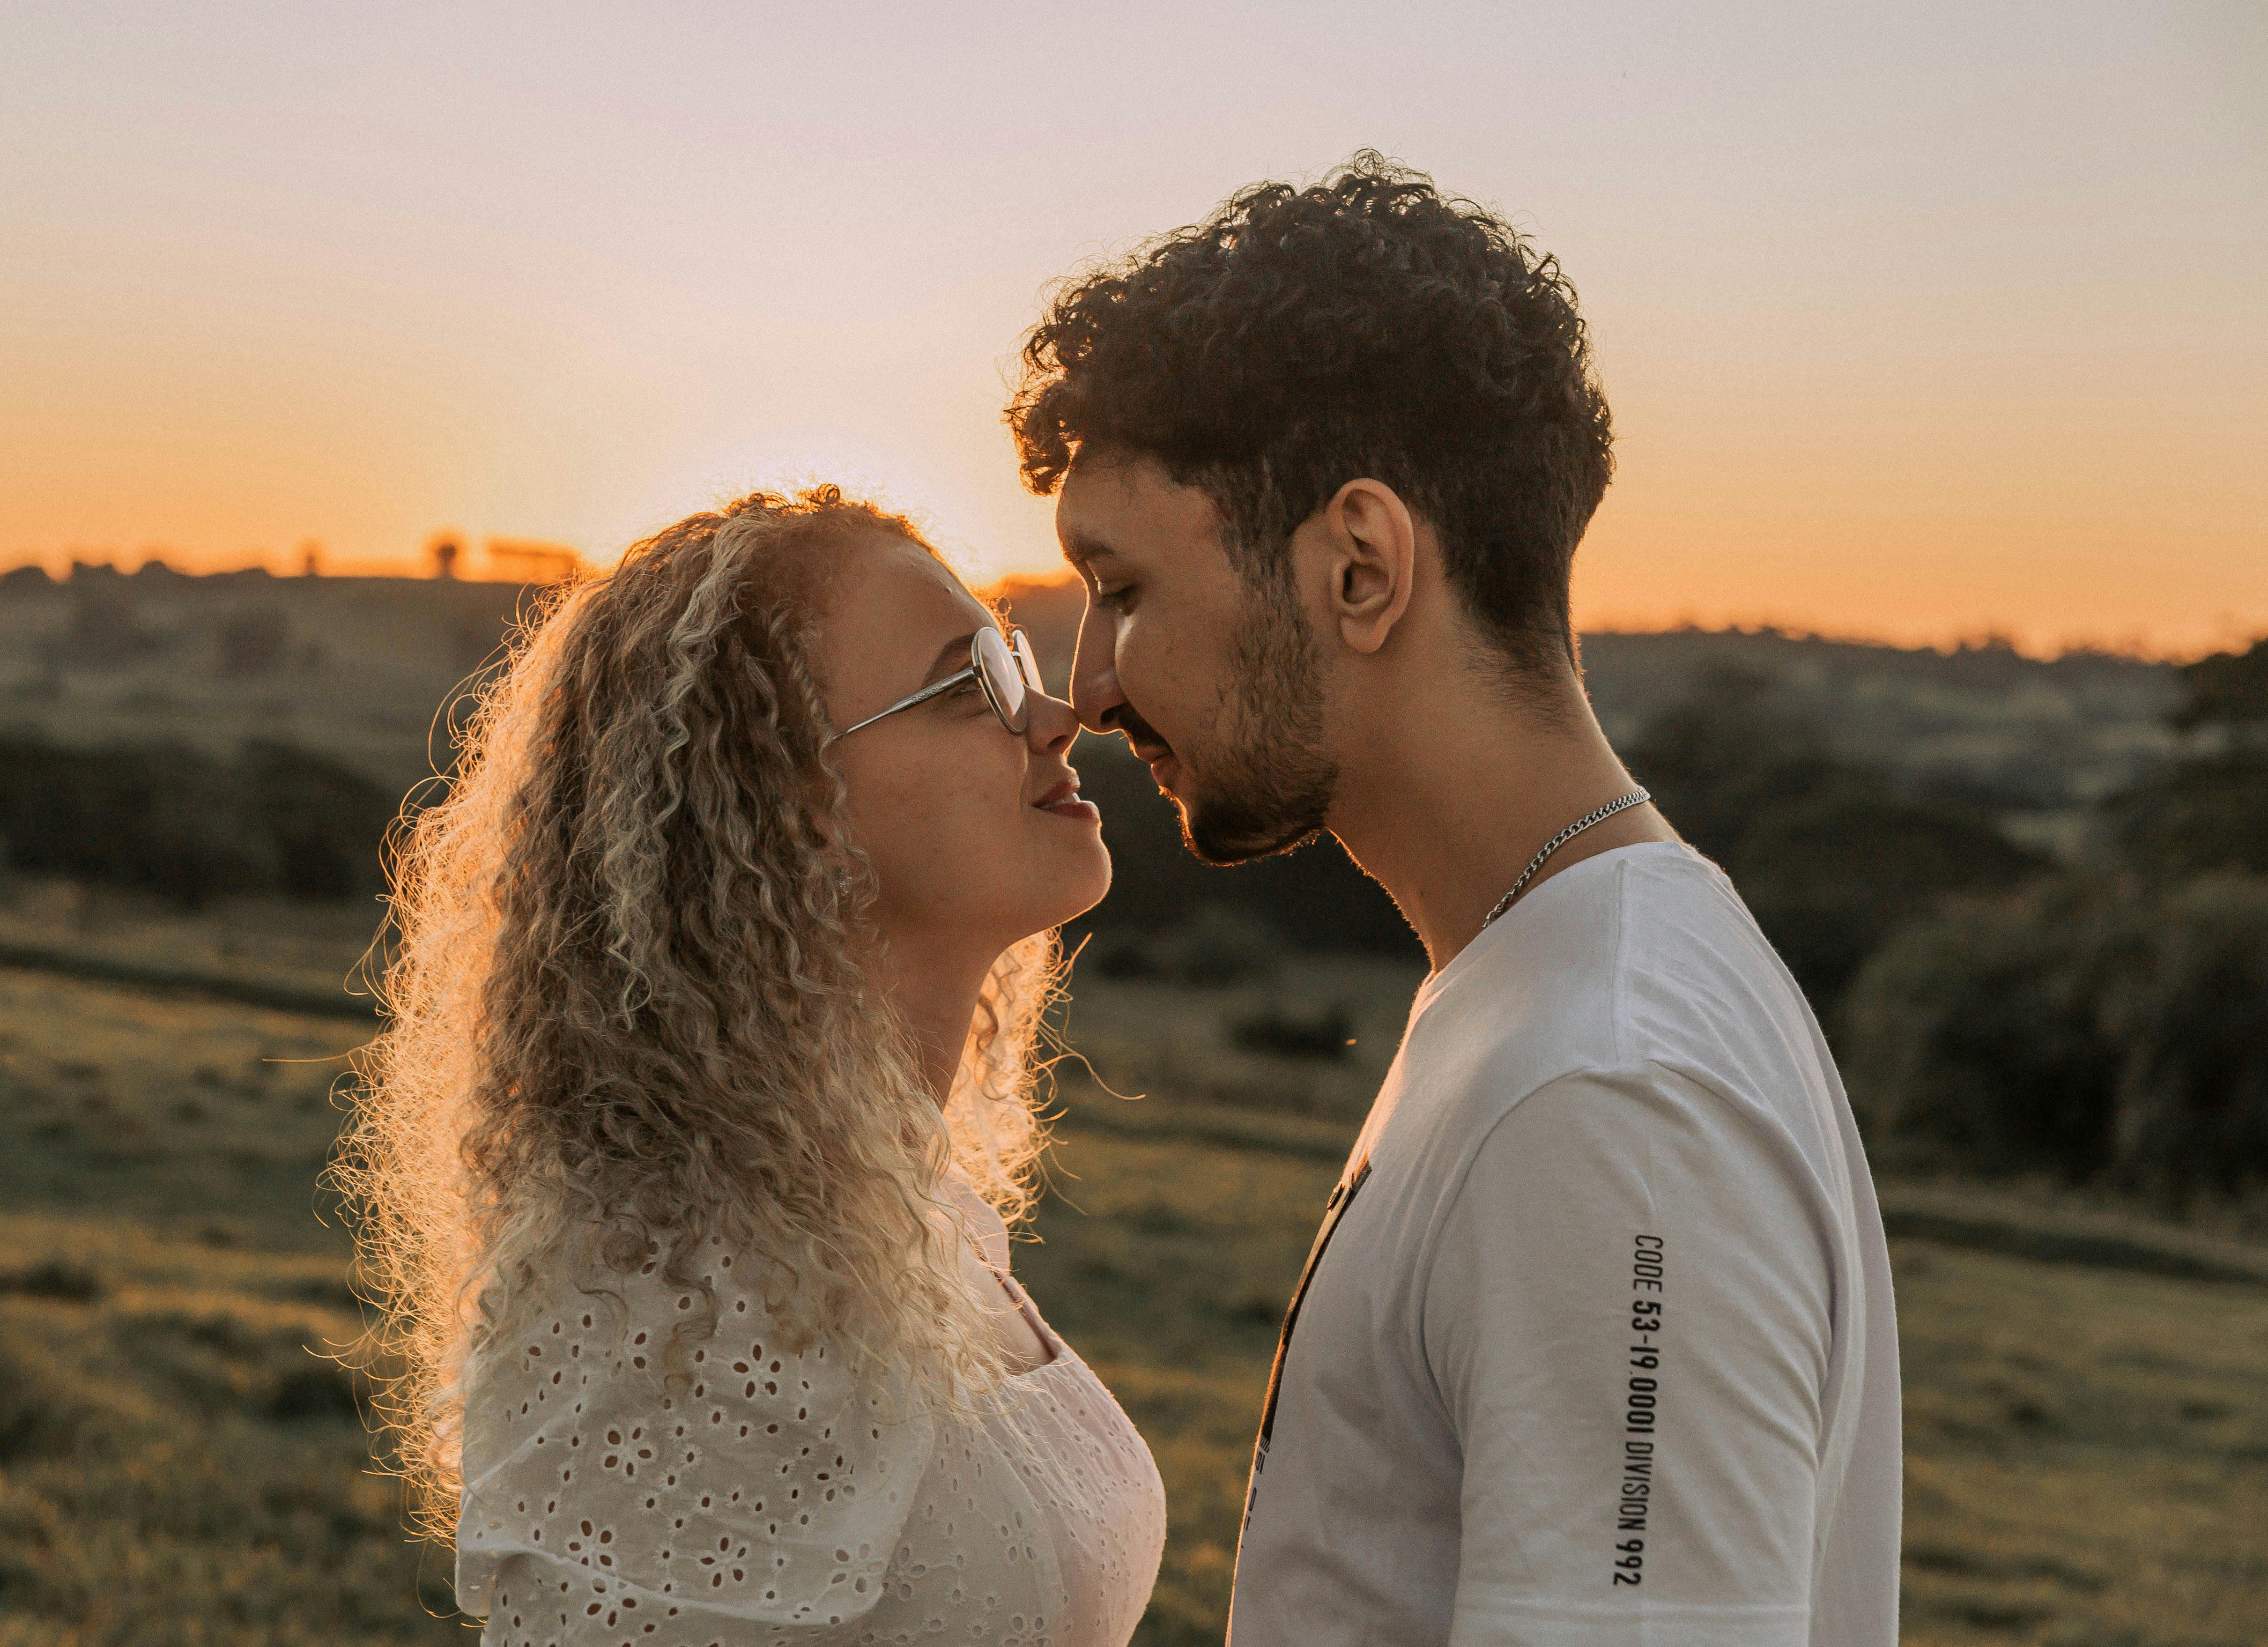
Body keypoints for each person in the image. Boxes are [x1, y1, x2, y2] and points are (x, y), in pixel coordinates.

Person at [1008, 154, 1901, 1647]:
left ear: (1359, 567)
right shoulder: (1546, 993)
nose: (1090, 679)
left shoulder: (1610, 1095)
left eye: (1125, 587)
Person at [341, 487, 1165, 1646]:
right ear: (791, 805)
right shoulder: (683, 1303)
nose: (1050, 712)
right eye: (970, 674)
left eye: (1012, 651)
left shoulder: (890, 1214)